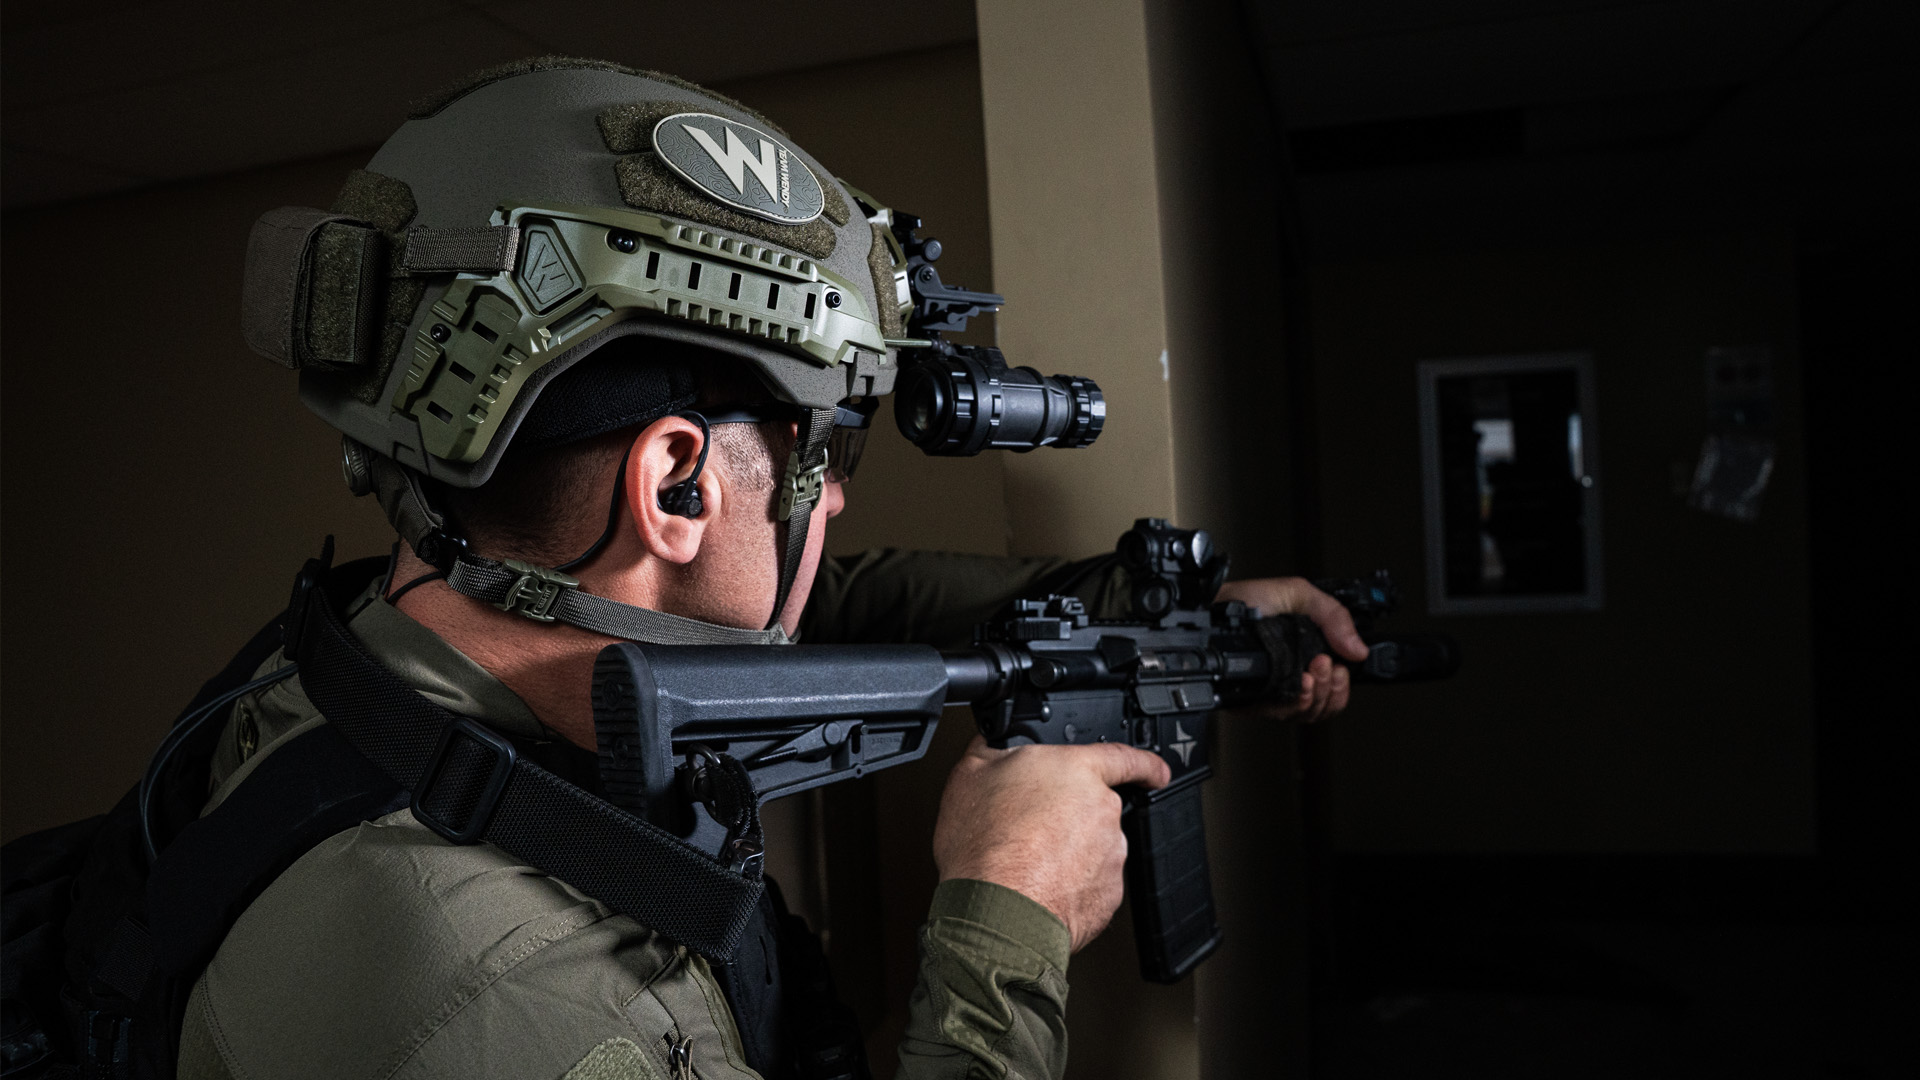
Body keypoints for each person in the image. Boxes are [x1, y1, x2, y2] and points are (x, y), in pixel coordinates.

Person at [171, 58, 1366, 1080]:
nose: (838, 498)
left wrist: (1161, 619)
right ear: (675, 487)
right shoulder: (514, 1007)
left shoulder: (369, 654)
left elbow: (812, 601)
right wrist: (1009, 924)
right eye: (828, 449)